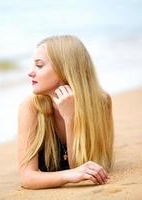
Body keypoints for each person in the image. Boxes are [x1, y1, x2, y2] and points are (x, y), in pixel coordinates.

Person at [17, 35, 114, 189]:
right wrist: (68, 175)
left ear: (64, 69)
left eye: (40, 65)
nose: (30, 73)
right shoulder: (30, 107)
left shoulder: (101, 102)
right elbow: (27, 177)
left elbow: (86, 168)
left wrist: (70, 118)